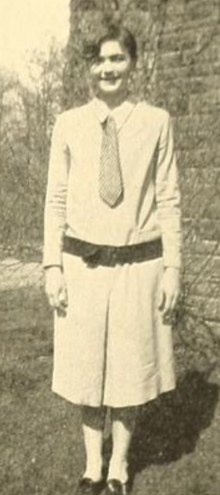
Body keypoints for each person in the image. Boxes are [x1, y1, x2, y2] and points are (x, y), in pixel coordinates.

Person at [43, 23, 182, 495]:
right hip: (81, 267)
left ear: (133, 64)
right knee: (85, 371)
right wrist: (51, 267)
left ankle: (119, 465)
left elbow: (169, 200)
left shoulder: (156, 122)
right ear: (89, 68)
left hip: (138, 268)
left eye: (117, 59)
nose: (108, 68)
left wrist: (173, 269)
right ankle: (92, 465)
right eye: (99, 60)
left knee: (128, 371)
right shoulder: (68, 124)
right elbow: (55, 202)